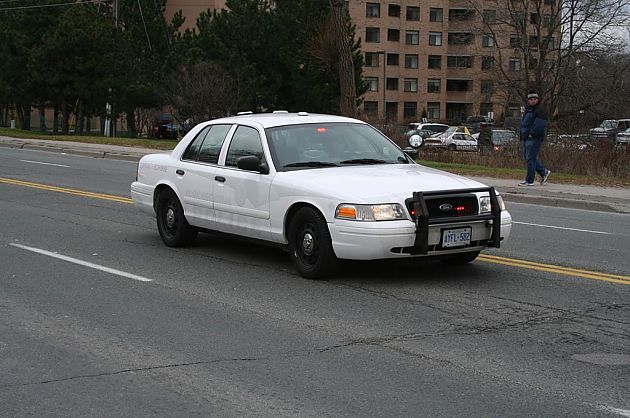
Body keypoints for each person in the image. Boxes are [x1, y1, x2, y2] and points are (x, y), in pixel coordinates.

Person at [518, 91, 551, 186]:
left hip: (534, 138)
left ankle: (529, 180)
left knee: (530, 159)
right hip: (526, 137)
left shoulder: (540, 110)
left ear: (537, 100)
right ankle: (543, 172)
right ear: (528, 100)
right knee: (528, 158)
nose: (533, 101)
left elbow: (540, 125)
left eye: (534, 99)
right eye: (531, 99)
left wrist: (531, 134)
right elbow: (524, 123)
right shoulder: (528, 109)